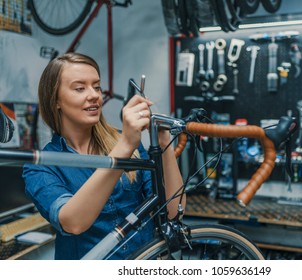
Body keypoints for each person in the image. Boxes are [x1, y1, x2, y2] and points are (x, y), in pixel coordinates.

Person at [23, 53, 184, 260]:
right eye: (80, 88)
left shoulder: (127, 144)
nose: (94, 95)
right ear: (55, 101)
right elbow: (73, 222)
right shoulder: (41, 165)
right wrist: (124, 146)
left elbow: (173, 211)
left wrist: (164, 143)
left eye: (97, 87)